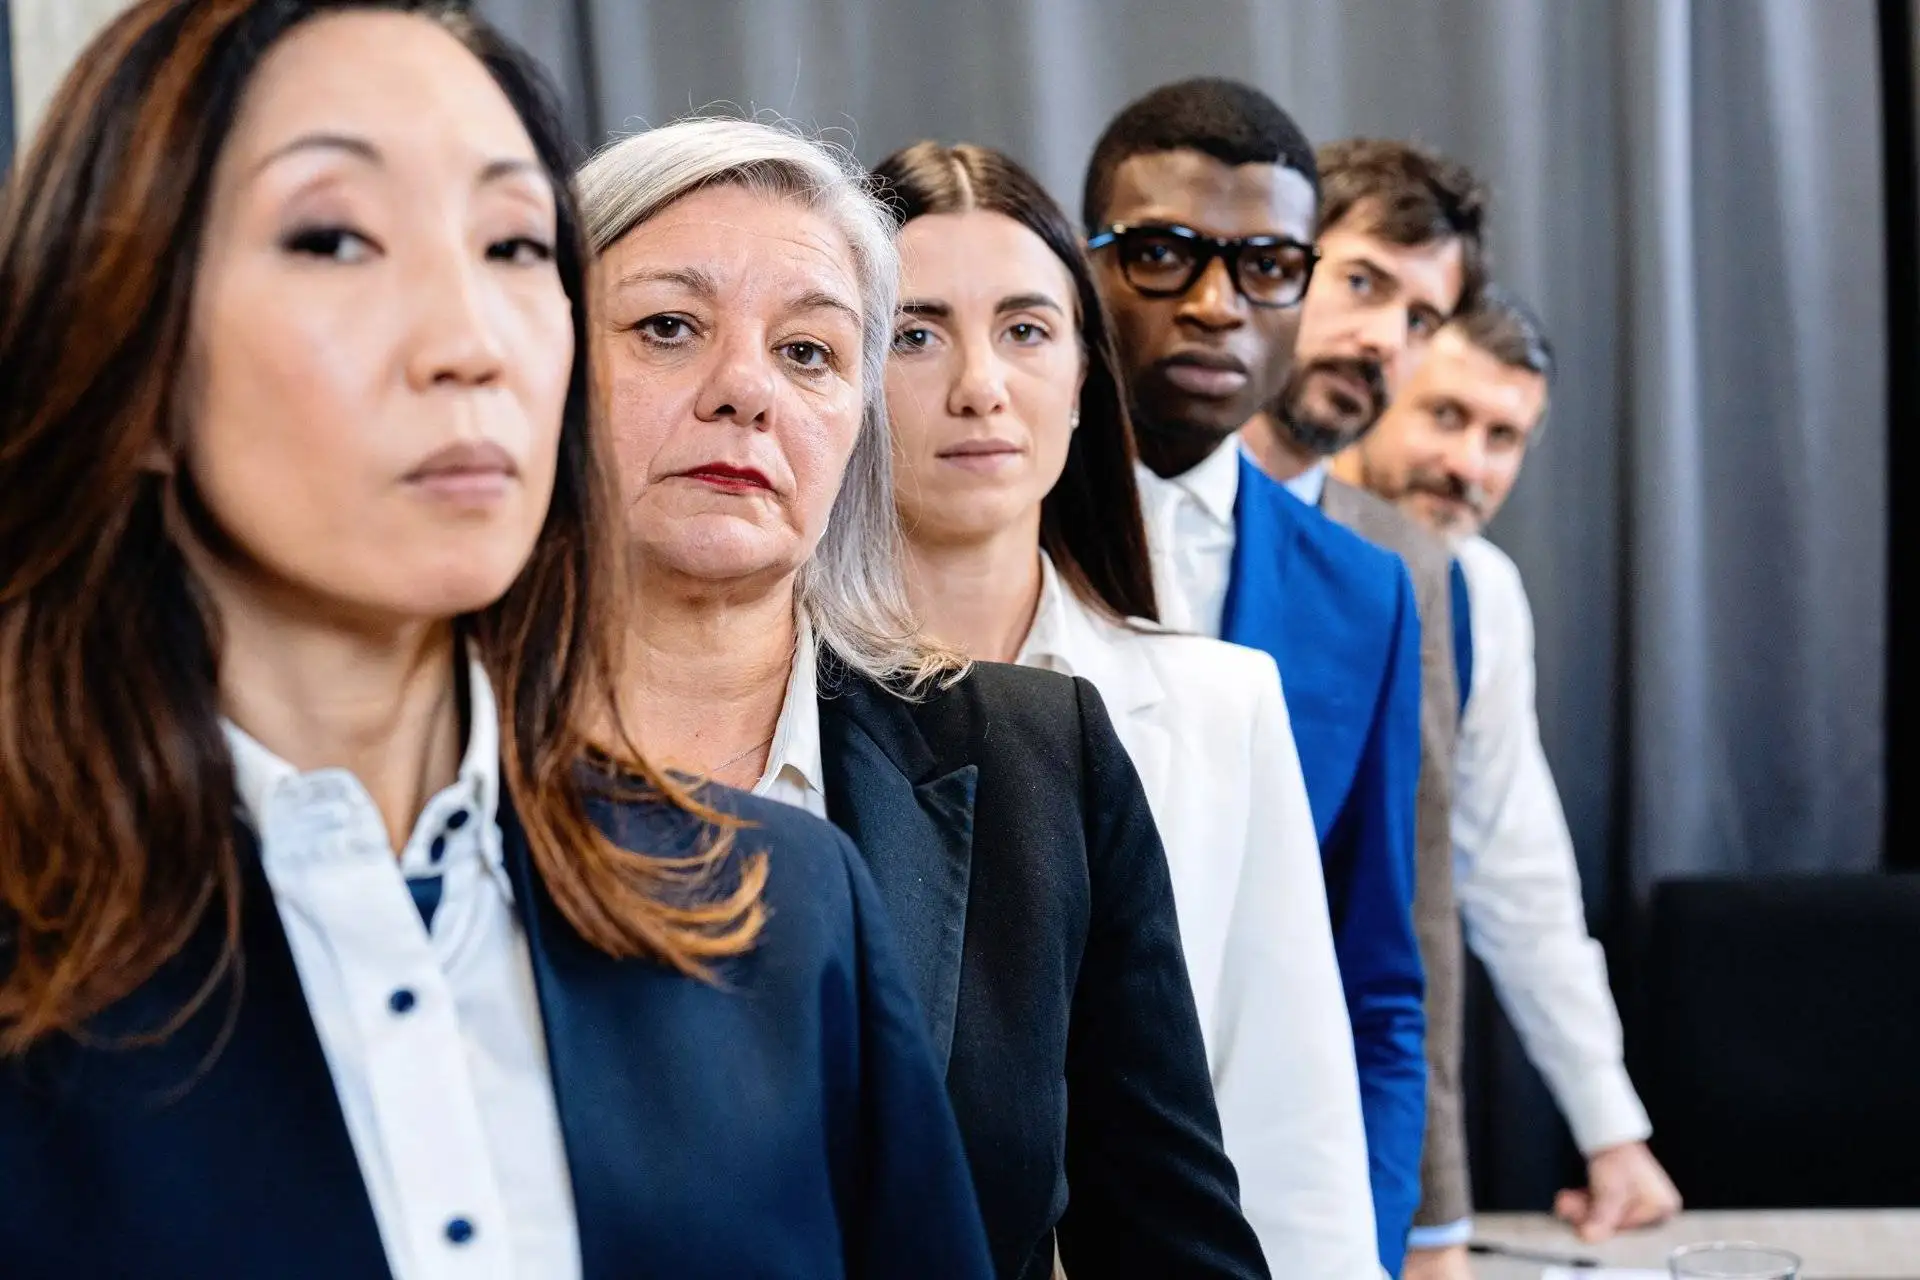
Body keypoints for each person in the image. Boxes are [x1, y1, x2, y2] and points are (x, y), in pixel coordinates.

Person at [0, 5, 995, 1278]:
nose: (469, 340)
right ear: (125, 349)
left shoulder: (783, 909)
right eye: (335, 238)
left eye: (515, 246)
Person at [576, 118, 1269, 1280]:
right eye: (667, 327)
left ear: (856, 418)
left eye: (808, 351)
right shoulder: (419, 756)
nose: (743, 388)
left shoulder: (1038, 761)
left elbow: (1173, 1247)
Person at [874, 138, 1380, 1277]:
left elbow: (1285, 1122)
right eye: (914, 332)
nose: (979, 384)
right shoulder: (760, 697)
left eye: (1025, 329)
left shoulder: (1218, 701)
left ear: (1084, 378)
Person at [1082, 77, 1426, 1275]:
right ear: (1087, 271)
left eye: (1269, 261)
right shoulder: (978, 543)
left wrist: (1364, 1248)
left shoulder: (1366, 596)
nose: (1218, 304)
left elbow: (1374, 980)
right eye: (1165, 253)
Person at [1334, 290, 1684, 1264]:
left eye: (1504, 436)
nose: (1469, 465)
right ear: (1382, 383)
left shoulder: (1481, 591)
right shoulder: (1256, 534)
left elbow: (1516, 870)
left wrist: (1610, 1127)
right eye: (1447, 416)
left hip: (1384, 1069)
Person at [1239, 137, 1493, 1267]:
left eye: (1424, 317)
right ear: (1279, 264)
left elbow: (1413, 899)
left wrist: (1429, 1218)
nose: (1388, 339)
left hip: (1297, 1158)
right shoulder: (1069, 490)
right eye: (1363, 283)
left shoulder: (1410, 566)